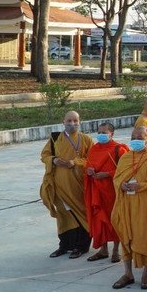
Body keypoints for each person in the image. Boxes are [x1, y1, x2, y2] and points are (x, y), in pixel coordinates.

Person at [110, 126, 147, 290]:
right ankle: (128, 274)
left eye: (140, 137)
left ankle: (146, 274)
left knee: (146, 237)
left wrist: (141, 186)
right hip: (126, 203)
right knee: (125, 235)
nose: (136, 139)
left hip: (145, 204)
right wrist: (122, 185)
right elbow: (116, 178)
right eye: (133, 136)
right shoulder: (125, 157)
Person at [39, 111, 93, 259]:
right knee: (64, 216)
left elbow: (93, 160)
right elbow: (44, 156)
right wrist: (54, 160)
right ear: (63, 121)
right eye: (69, 120)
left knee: (81, 214)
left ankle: (81, 246)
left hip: (78, 186)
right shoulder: (55, 139)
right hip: (60, 185)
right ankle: (64, 246)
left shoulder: (86, 139)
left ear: (79, 122)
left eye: (75, 120)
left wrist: (75, 162)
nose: (72, 123)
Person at [84, 123, 128, 262]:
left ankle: (116, 250)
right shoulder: (93, 149)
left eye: (104, 132)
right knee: (99, 220)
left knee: (114, 220)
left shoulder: (119, 149)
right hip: (97, 190)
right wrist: (89, 171)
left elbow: (125, 171)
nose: (101, 135)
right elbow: (88, 166)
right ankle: (103, 250)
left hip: (112, 191)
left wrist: (107, 174)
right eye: (99, 132)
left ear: (112, 134)